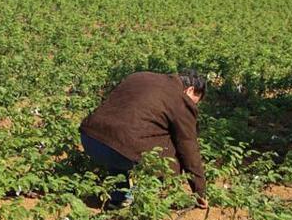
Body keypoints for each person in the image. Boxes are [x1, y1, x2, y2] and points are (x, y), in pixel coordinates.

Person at [79, 70, 208, 209]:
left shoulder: (140, 76)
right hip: (119, 153)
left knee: (125, 139)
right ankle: (150, 198)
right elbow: (188, 147)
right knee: (169, 149)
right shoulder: (180, 99)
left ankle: (119, 198)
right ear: (190, 90)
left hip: (90, 139)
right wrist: (200, 192)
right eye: (195, 102)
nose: (194, 106)